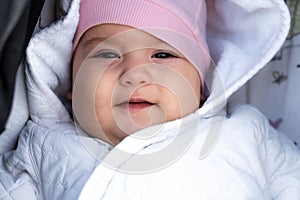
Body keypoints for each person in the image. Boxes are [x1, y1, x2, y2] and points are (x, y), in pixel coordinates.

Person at [0, 0, 300, 199]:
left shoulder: (245, 131)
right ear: (72, 84)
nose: (134, 74)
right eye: (106, 54)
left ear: (200, 86)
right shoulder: (41, 145)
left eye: (162, 55)